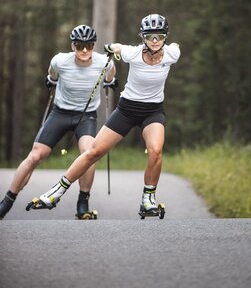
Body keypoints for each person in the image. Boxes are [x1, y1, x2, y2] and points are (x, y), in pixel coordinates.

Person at [28, 14, 180, 215]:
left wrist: (175, 44)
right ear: (143, 36)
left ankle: (148, 200)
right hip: (127, 110)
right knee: (93, 152)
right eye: (150, 36)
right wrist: (110, 48)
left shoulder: (172, 54)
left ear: (165, 37)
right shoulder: (132, 53)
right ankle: (55, 193)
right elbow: (117, 47)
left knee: (156, 150)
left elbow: (176, 47)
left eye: (159, 36)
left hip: (153, 111)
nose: (154, 41)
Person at [0, 24, 116, 220]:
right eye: (80, 46)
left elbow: (110, 76)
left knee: (89, 153)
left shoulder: (105, 62)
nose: (85, 50)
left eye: (88, 45)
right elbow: (52, 73)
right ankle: (7, 201)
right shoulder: (60, 60)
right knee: (36, 155)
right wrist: (51, 80)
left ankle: (83, 202)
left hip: (86, 116)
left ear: (94, 45)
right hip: (60, 113)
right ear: (73, 46)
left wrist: (110, 82)